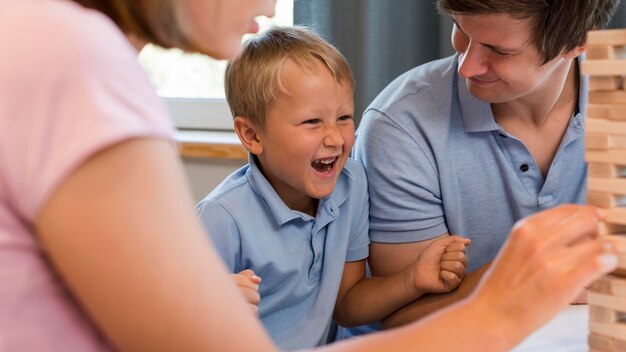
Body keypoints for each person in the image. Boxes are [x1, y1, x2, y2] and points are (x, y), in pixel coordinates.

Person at [0, 0, 618, 351]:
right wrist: (498, 309)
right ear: (250, 132)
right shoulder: (72, 58)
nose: (268, 7)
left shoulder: (51, 43)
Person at [195, 26, 471, 350]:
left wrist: (412, 280)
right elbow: (172, 323)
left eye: (343, 117)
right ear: (252, 135)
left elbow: (347, 304)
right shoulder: (221, 217)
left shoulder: (351, 186)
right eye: (312, 121)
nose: (335, 138)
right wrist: (207, 306)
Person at [352, 0, 621, 328]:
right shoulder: (401, 128)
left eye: (499, 50)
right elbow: (400, 320)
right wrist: (518, 284)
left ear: (578, 43)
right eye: (461, 30)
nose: (466, 66)